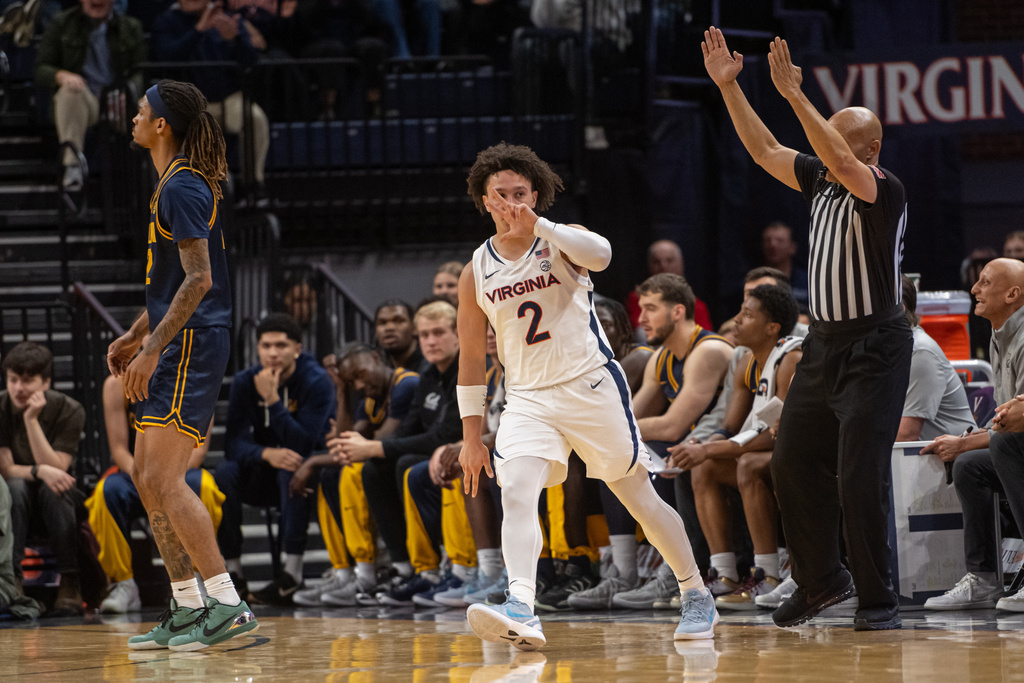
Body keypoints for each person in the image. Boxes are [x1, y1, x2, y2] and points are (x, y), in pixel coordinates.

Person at [457, 142, 719, 651]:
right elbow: (471, 357)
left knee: (636, 495)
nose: (512, 203)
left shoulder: (562, 240)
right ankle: (521, 606)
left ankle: (696, 593)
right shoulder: (476, 271)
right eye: (501, 195)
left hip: (589, 386)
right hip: (528, 398)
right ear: (485, 201)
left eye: (521, 193)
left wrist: (542, 227)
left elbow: (603, 254)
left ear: (536, 195)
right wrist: (471, 436)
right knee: (516, 489)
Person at [704, 28, 913, 631]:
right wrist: (731, 88)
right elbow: (766, 151)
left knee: (859, 475)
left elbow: (841, 159)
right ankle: (823, 579)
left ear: (868, 149)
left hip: (876, 345)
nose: (819, 151)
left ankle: (878, 600)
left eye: (833, 141)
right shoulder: (819, 179)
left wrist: (797, 96)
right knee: (791, 462)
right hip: (823, 344)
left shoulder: (883, 188)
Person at [107, 79, 257, 650]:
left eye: (142, 112)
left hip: (194, 343)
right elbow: (172, 281)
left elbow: (200, 281)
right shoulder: (172, 183)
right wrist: (136, 332)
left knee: (167, 480)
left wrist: (152, 349)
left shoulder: (184, 187)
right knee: (146, 479)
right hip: (176, 337)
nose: (135, 120)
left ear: (163, 124)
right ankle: (188, 605)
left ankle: (227, 601)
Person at [669, 284, 802, 610]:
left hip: (801, 455)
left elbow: (779, 435)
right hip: (769, 449)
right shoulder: (746, 363)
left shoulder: (790, 360)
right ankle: (724, 573)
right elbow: (731, 427)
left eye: (747, 315)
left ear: (772, 328)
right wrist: (700, 445)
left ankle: (767, 574)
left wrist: (712, 449)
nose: (737, 321)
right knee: (702, 465)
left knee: (747, 464)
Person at [329, 300, 462, 603]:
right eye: (425, 334)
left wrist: (372, 447)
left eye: (438, 333)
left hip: (462, 454)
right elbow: (405, 433)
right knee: (375, 469)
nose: (430, 341)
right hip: (431, 454)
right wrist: (341, 392)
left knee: (407, 467)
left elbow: (440, 434)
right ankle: (404, 568)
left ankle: (449, 568)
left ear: (458, 334)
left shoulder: (413, 381)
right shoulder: (428, 375)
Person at [921, 258, 1024, 612]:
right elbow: (1006, 416)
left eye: (984, 282)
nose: (974, 290)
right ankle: (983, 579)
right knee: (970, 466)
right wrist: (967, 445)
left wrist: (964, 440)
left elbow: (1015, 422)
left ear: (1013, 294)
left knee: (1005, 445)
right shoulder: (1001, 336)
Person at [215, 312, 335, 605]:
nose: (272, 353)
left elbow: (304, 442)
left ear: (297, 348)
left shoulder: (316, 381)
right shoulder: (245, 381)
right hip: (264, 469)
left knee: (292, 467)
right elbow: (233, 444)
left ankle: (291, 574)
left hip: (309, 468)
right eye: (266, 346)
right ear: (257, 349)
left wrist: (271, 400)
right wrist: (266, 453)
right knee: (223, 473)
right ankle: (234, 574)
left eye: (281, 345)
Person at [290, 343, 419, 607]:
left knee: (354, 471)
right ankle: (346, 572)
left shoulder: (404, 384)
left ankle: (368, 572)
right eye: (352, 382)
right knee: (328, 474)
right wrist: (340, 390)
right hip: (390, 467)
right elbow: (341, 444)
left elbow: (380, 443)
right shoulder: (370, 399)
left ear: (375, 357)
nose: (358, 386)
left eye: (360, 375)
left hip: (411, 463)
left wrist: (313, 459)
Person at [86, 373, 222, 613]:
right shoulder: (117, 384)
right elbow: (118, 450)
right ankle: (124, 583)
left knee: (206, 487)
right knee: (105, 491)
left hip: (179, 472)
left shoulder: (197, 378)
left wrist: (164, 479)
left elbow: (198, 453)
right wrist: (144, 478)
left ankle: (200, 578)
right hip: (134, 474)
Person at [151, 0, 270, 201]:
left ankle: (253, 185)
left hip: (227, 99)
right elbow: (165, 59)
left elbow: (251, 63)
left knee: (254, 118)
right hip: (186, 103)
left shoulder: (227, 19)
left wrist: (235, 39)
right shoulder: (166, 21)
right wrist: (198, 31)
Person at [0, 342, 86, 616]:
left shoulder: (70, 410)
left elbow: (58, 468)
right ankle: (13, 582)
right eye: (13, 380)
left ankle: (70, 583)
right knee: (13, 486)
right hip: (17, 498)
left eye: (28, 381)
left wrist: (31, 420)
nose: (19, 388)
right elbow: (5, 470)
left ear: (46, 382)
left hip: (57, 500)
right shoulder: (0, 408)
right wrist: (39, 471)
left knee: (54, 489)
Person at [34, 0, 146, 190]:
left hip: (118, 101)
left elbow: (140, 71)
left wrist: (128, 91)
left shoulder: (130, 27)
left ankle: (163, 184)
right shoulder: (62, 23)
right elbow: (41, 68)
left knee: (156, 109)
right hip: (85, 101)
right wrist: (61, 75)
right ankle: (73, 166)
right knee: (70, 91)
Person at [896, 275, 976, 442]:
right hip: (919, 459)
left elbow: (907, 434)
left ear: (898, 309)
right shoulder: (887, 350)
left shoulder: (919, 351)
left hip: (949, 461)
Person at [626, 240, 713, 333]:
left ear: (681, 263)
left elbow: (705, 338)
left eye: (669, 260)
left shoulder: (697, 306)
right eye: (656, 261)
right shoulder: (636, 299)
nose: (663, 266)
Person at [761, 222, 808, 306]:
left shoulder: (808, 282)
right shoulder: (752, 282)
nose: (773, 245)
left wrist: (808, 318)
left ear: (792, 247)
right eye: (768, 240)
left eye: (780, 240)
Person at [374, 299, 426, 371]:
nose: (389, 328)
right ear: (376, 332)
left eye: (398, 321)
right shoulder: (375, 366)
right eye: (382, 323)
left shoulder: (432, 363)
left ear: (415, 328)